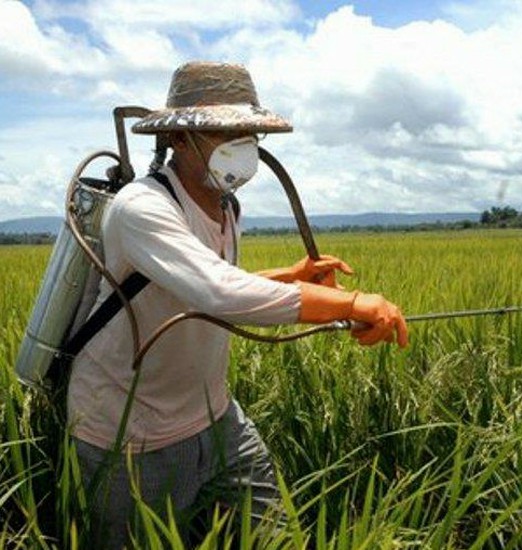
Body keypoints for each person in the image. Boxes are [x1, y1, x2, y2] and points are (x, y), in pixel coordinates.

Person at [66, 61, 408, 548]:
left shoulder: (226, 204)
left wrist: (288, 278)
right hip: (130, 434)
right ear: (180, 138)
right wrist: (348, 303)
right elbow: (218, 291)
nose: (243, 143)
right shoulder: (142, 207)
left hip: (215, 416)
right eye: (226, 130)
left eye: (248, 130)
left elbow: (203, 283)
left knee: (275, 537)